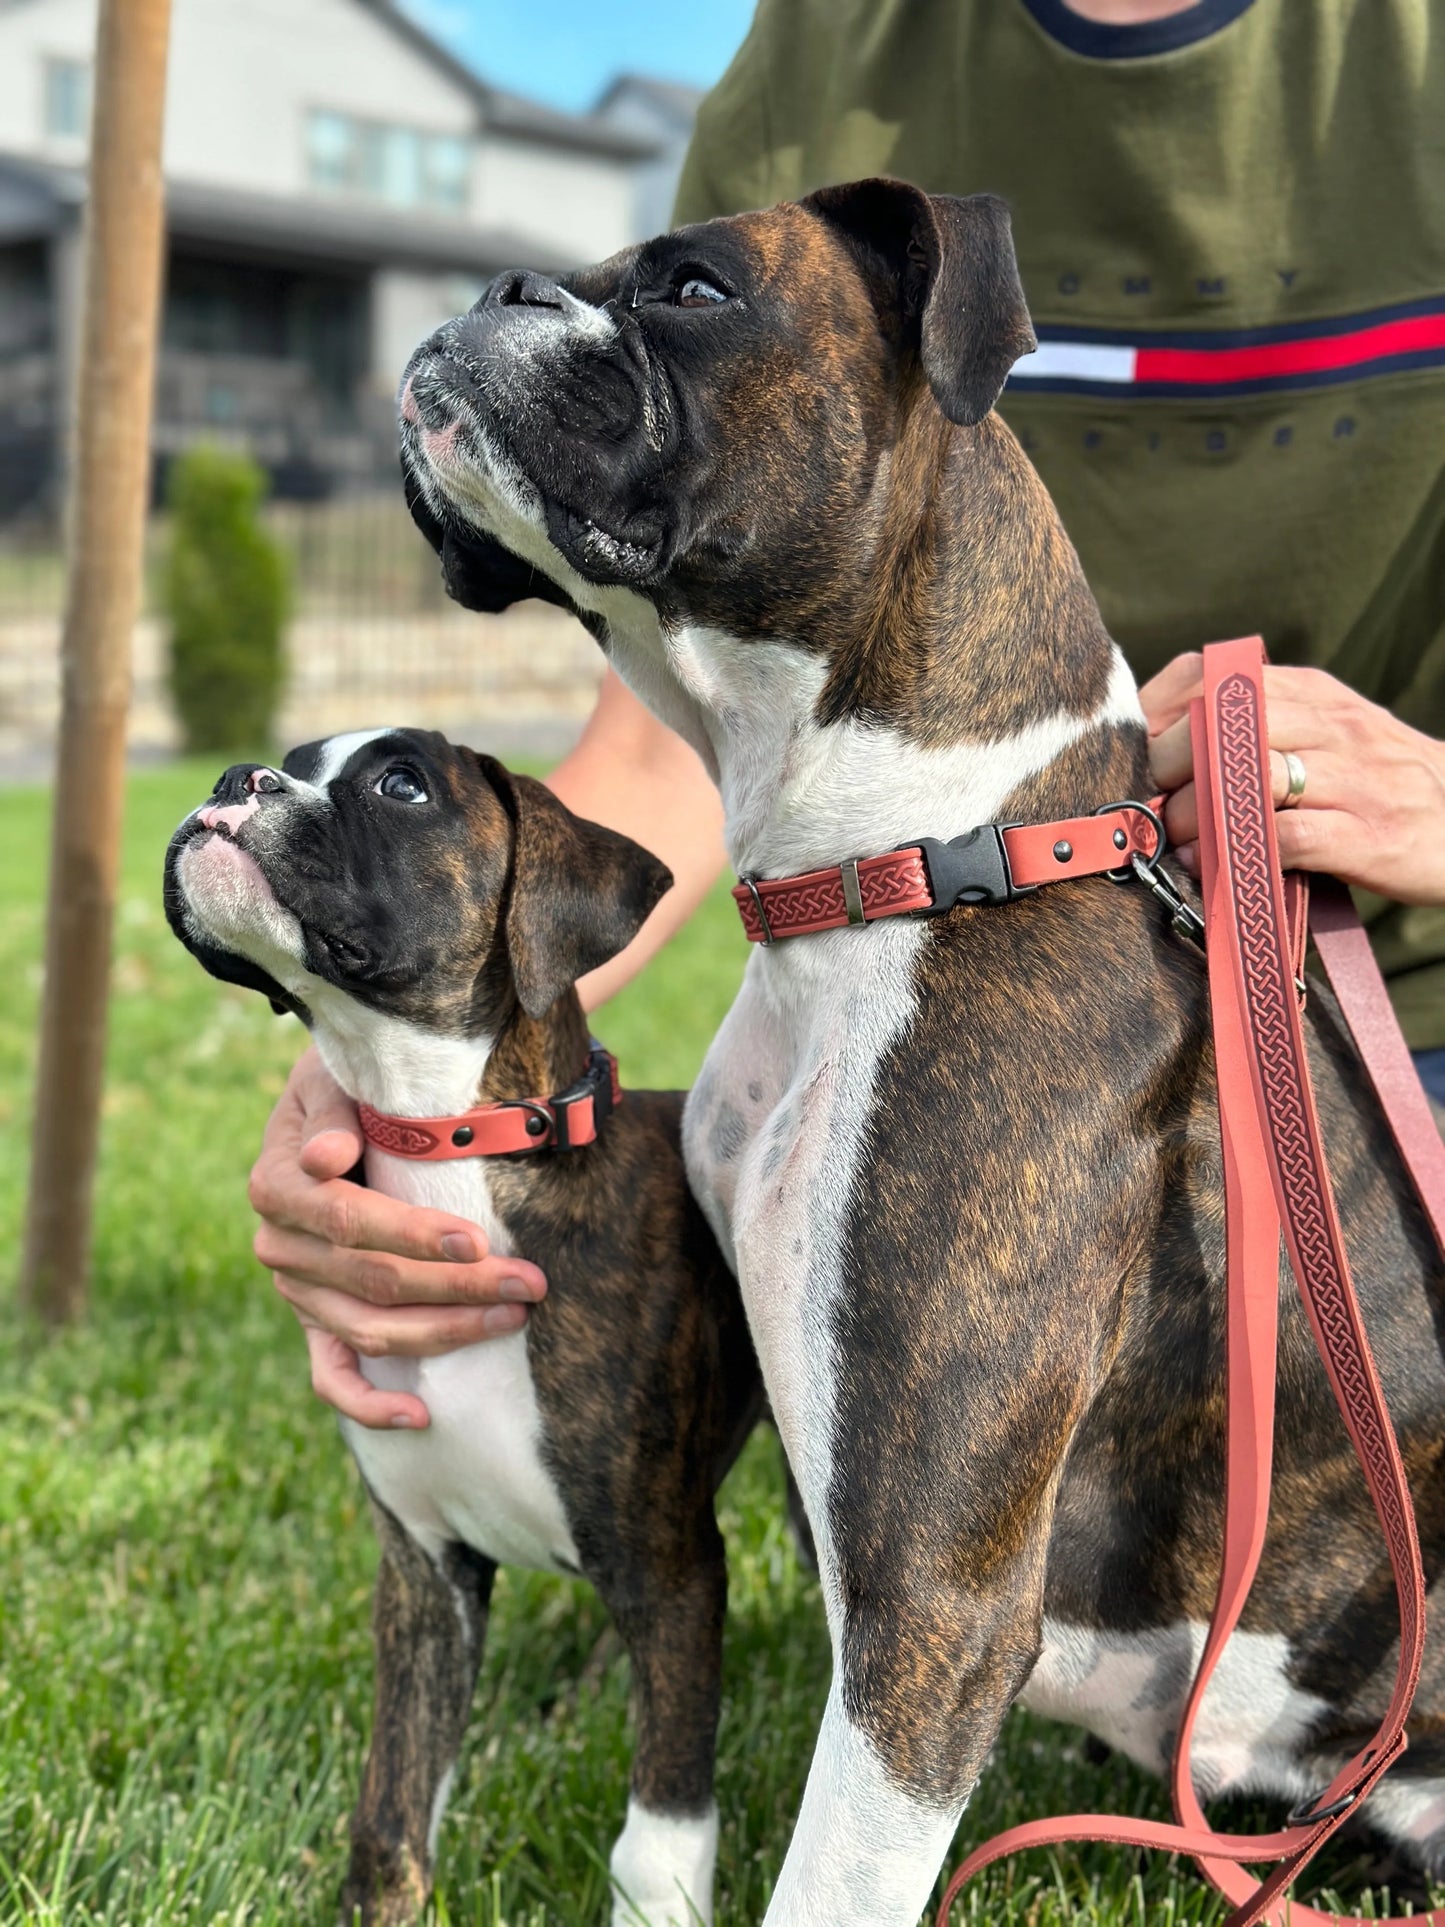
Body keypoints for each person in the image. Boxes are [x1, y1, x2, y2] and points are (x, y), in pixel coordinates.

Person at [250, 0, 1445, 1431]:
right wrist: (384, 1065)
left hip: (1398, 1007)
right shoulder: (825, 52)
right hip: (953, 1003)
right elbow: (692, 705)